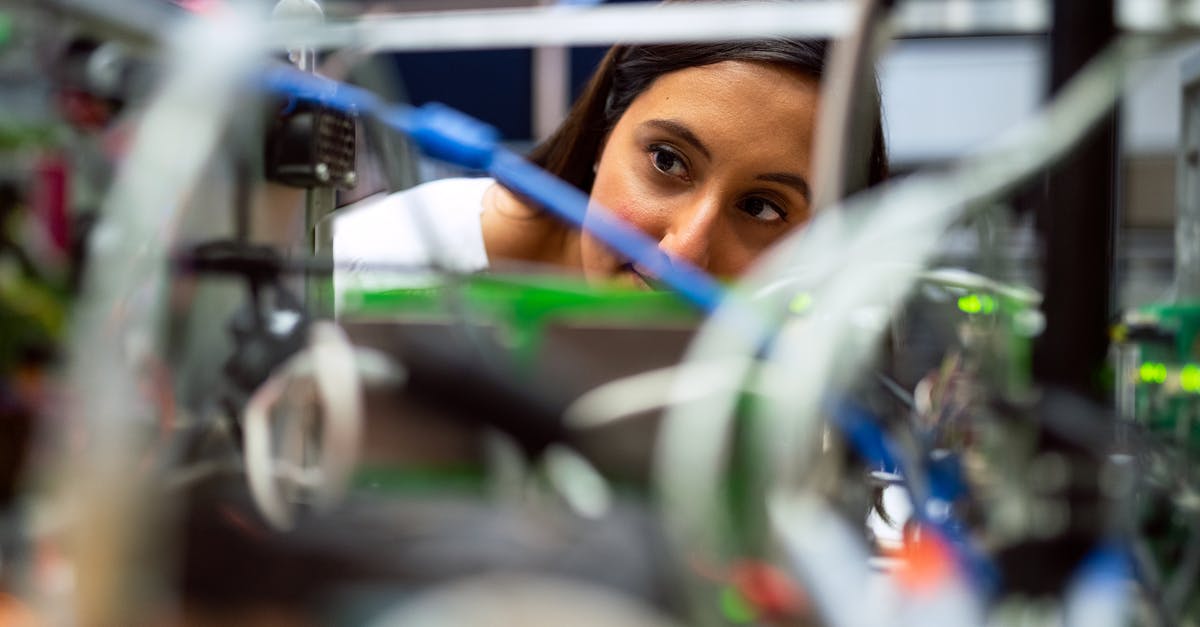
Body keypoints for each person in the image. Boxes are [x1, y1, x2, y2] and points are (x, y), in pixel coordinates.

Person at [333, 38, 888, 298]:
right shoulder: (370, 271)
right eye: (667, 162)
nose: (683, 252)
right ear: (604, 131)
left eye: (760, 207)